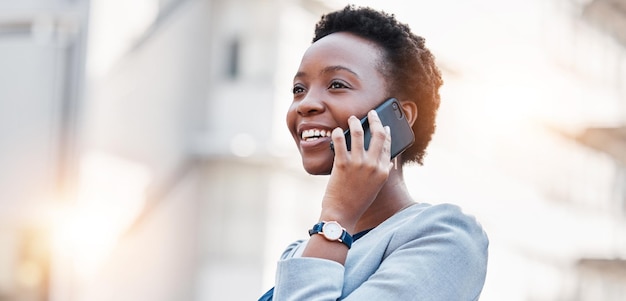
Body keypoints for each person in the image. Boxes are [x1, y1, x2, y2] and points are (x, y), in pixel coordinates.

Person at [260, 4, 488, 300]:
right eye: (299, 89)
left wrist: (337, 219)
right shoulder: (299, 252)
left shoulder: (446, 237)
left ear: (398, 116)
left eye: (337, 84)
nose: (305, 104)